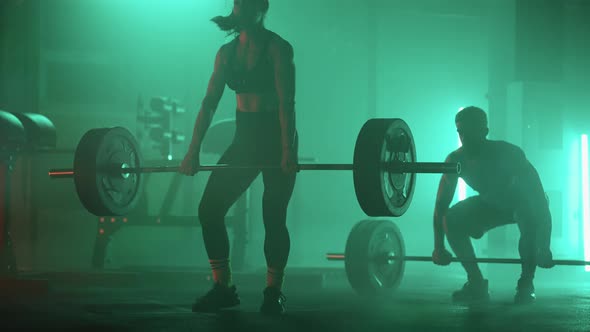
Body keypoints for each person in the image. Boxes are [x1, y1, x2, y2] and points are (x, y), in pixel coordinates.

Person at [179, 0, 298, 315]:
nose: (239, 10)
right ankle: (223, 287)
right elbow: (208, 104)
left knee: (273, 217)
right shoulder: (226, 54)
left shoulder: (278, 49)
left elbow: (287, 104)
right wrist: (192, 151)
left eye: (245, 4)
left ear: (261, 9)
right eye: (236, 4)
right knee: (209, 209)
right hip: (244, 140)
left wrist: (288, 151)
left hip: (276, 140)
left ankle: (273, 292)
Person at [431, 106, 555, 305]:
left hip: (520, 203)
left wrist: (544, 246)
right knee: (452, 218)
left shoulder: (509, 154)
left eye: (471, 131)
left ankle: (526, 283)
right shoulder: (455, 160)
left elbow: (539, 199)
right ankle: (476, 283)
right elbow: (441, 206)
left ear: (484, 132)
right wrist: (438, 247)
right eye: (461, 132)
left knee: (528, 213)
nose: (465, 137)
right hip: (490, 204)